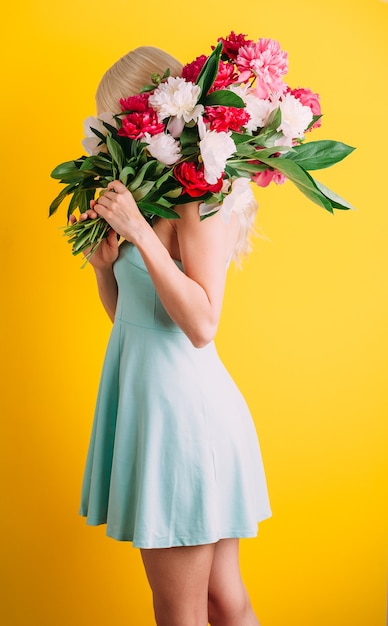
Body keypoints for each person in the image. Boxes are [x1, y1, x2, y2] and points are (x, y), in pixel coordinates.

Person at [74, 45, 271, 626]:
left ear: (151, 113)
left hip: (184, 421)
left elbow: (201, 326)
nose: (115, 138)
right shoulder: (150, 192)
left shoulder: (200, 199)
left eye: (122, 119)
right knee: (216, 600)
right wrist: (106, 267)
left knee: (186, 609)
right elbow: (134, 321)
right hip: (149, 406)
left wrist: (140, 231)